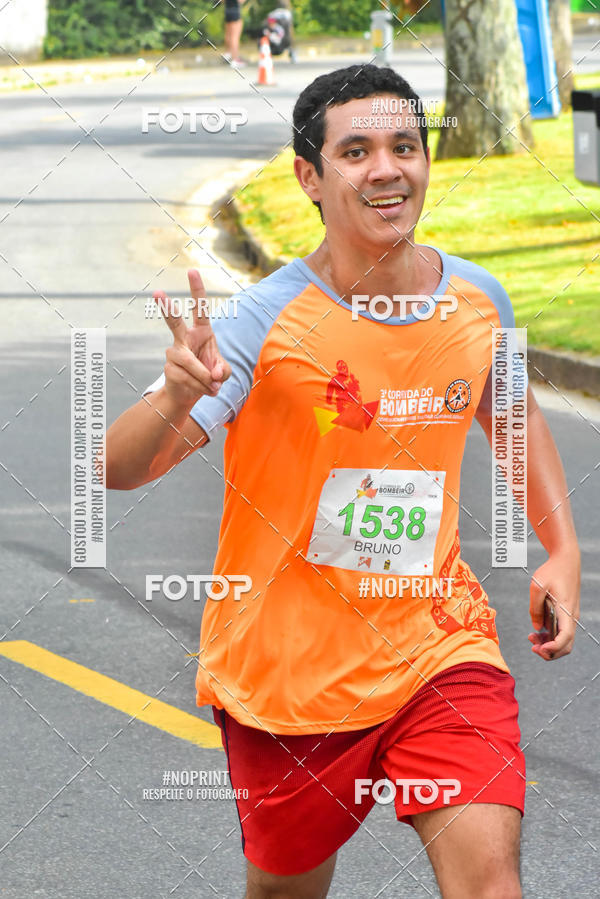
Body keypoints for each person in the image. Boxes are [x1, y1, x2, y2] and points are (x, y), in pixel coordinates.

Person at [105, 65, 581, 898]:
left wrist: (562, 547)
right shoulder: (263, 320)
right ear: (309, 178)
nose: (386, 169)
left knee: (490, 881)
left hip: (440, 643)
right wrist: (180, 392)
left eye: (404, 146)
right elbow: (119, 467)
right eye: (355, 150)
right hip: (289, 675)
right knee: (287, 888)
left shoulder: (478, 299)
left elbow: (515, 417)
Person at [223, 0, 245, 67]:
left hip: (227, 11)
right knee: (235, 37)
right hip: (235, 11)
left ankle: (228, 53)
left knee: (228, 34)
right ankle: (235, 59)